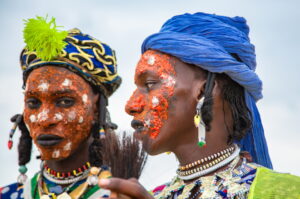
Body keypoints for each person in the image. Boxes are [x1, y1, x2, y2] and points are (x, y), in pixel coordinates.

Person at [97, 12, 300, 198]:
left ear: (203, 91)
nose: (131, 105)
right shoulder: (150, 195)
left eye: (150, 84)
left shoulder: (286, 192)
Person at [0, 16, 146, 199]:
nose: (45, 119)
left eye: (65, 101)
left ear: (96, 108)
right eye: (33, 103)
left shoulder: (122, 195)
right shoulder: (8, 195)